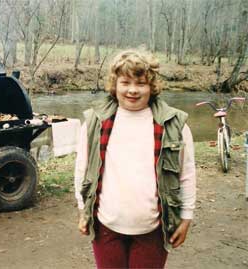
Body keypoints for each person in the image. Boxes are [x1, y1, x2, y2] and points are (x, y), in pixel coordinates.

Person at [74, 50, 196, 268]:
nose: (132, 90)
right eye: (125, 82)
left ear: (152, 87)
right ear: (115, 84)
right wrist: (83, 210)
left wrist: (185, 218)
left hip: (153, 229)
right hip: (106, 226)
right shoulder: (95, 122)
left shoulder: (175, 125)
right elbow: (82, 170)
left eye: (140, 83)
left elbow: (186, 174)